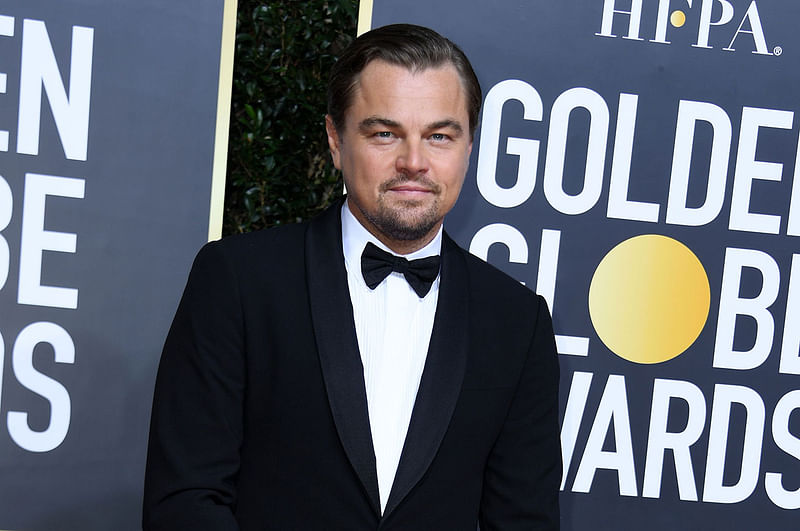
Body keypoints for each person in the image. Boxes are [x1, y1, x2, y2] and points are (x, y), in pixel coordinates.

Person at [143, 23, 561, 530]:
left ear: (469, 147)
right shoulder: (240, 280)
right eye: (385, 133)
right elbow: (185, 501)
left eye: (439, 136)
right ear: (336, 141)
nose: (414, 162)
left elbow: (523, 521)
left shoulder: (517, 322)